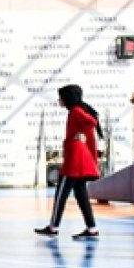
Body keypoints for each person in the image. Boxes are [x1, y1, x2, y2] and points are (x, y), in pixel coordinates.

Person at [35, 85, 102, 239]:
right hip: (79, 158)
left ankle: (53, 227)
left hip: (74, 160)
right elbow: (92, 122)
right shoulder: (77, 110)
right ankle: (91, 228)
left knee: (61, 194)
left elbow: (91, 121)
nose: (59, 100)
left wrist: (80, 135)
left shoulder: (76, 111)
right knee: (81, 195)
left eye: (61, 97)